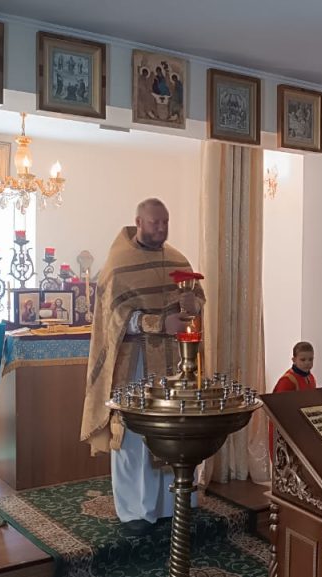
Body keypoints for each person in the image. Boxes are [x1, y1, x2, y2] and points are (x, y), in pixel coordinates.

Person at [80, 198, 205, 537]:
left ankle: (173, 505)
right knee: (134, 438)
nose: (161, 229)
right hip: (135, 363)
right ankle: (136, 510)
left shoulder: (178, 259)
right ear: (138, 222)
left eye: (165, 222)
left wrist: (194, 304)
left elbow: (196, 301)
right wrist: (158, 323)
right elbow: (115, 319)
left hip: (175, 363)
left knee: (175, 431)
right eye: (154, 223)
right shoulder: (118, 265)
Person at [268, 342, 317, 455]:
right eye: (303, 360)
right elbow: (279, 408)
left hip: (302, 426)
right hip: (287, 428)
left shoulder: (311, 377)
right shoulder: (287, 381)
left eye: (310, 359)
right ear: (294, 360)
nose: (307, 363)